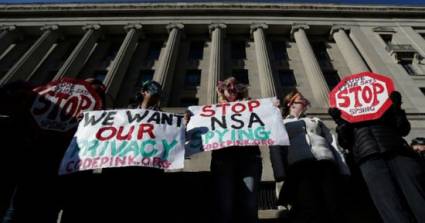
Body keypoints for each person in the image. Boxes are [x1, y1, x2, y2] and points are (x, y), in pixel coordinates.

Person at [329, 91, 425, 223]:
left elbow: (403, 129)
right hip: (368, 159)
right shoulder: (347, 116)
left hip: (397, 152)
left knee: (417, 197)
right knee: (389, 204)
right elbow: (345, 142)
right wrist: (340, 122)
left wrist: (396, 107)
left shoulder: (385, 109)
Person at [269, 89, 349, 223]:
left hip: (325, 164)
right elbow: (276, 148)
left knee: (333, 205)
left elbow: (333, 143)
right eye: (301, 99)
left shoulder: (316, 120)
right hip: (300, 166)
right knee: (309, 205)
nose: (305, 101)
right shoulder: (281, 123)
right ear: (291, 103)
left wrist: (344, 169)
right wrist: (280, 174)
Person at [209, 76, 262, 223]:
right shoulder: (213, 110)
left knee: (250, 205)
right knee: (224, 204)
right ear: (222, 90)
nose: (232, 88)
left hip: (249, 158)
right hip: (223, 160)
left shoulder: (251, 105)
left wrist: (273, 109)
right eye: (228, 86)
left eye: (235, 86)